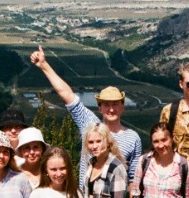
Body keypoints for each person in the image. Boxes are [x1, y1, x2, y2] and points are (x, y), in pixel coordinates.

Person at [29, 45, 142, 185]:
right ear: (100, 108)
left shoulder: (133, 138)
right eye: (106, 104)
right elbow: (67, 94)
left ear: (122, 107)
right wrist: (44, 65)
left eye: (115, 104)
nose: (111, 109)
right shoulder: (89, 123)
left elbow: (133, 177)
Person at [129, 122, 189, 198]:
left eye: (164, 140)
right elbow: (136, 192)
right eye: (156, 141)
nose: (160, 145)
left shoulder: (185, 166)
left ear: (172, 139)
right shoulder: (144, 161)